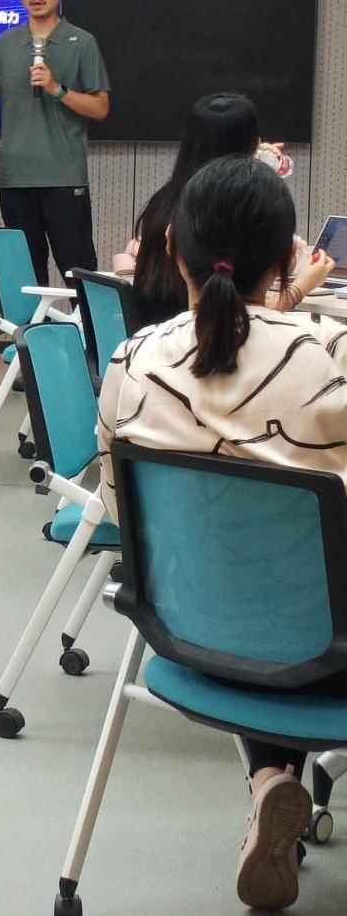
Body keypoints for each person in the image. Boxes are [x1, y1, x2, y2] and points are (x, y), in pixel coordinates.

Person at [97, 156, 347, 911]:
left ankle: (270, 779)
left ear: (174, 248)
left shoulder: (134, 359)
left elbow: (120, 514)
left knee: (264, 576)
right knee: (301, 583)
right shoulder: (329, 358)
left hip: (194, 634)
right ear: (287, 260)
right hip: (328, 652)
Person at [117, 93, 329, 324]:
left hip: (152, 336)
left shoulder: (164, 200)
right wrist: (300, 287)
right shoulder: (221, 213)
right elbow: (228, 322)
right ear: (249, 145)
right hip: (195, 340)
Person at [0, 0, 110, 285]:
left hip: (63, 176)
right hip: (16, 177)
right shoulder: (6, 43)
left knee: (79, 271)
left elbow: (101, 108)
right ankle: (33, 324)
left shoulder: (82, 42)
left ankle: (88, 322)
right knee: (27, 277)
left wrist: (57, 89)